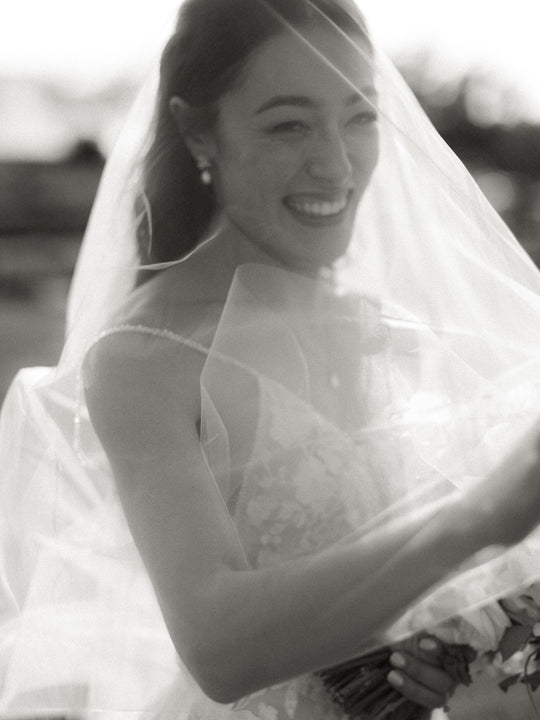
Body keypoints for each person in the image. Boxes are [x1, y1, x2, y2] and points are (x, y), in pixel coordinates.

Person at [2, 1, 540, 719]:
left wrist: (424, 648)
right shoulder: (143, 358)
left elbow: (367, 568)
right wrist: (475, 520)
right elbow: (219, 649)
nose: (337, 162)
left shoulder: (365, 321)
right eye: (289, 123)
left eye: (359, 116)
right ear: (200, 131)